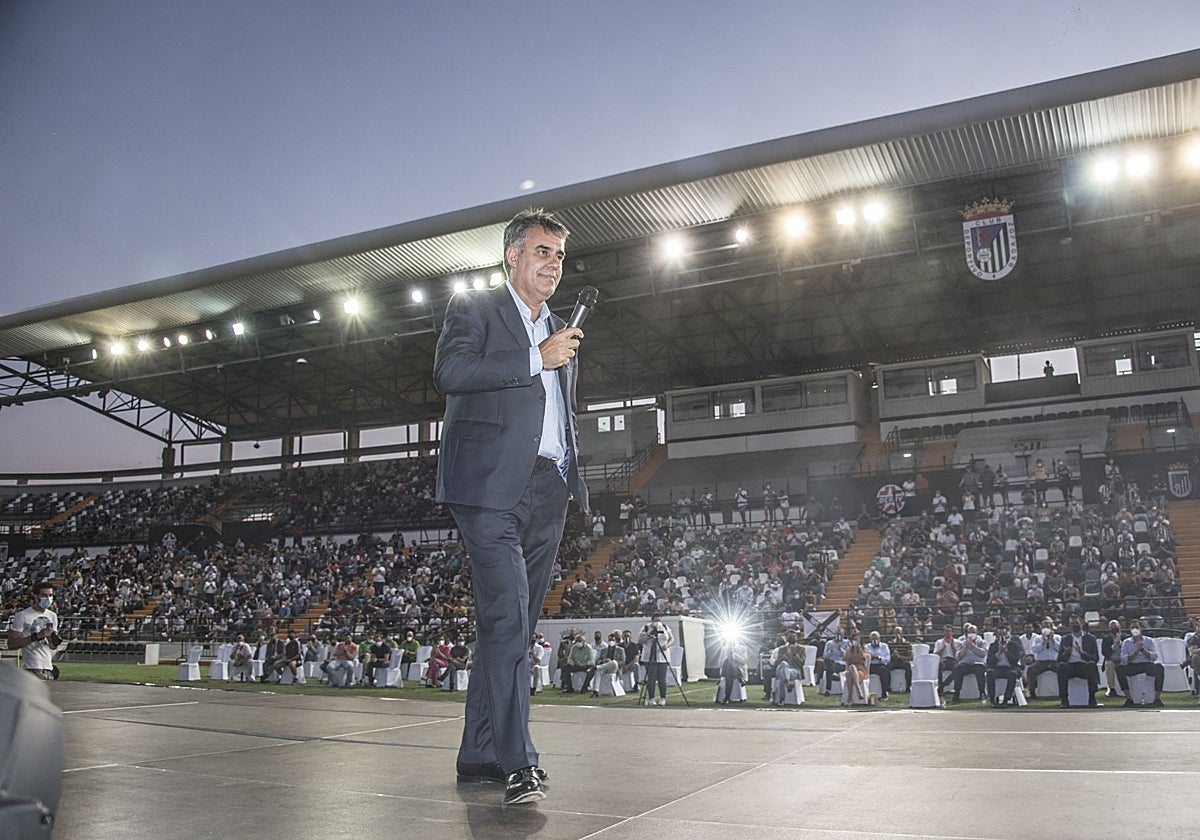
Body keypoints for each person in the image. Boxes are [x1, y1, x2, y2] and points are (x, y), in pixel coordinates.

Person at [434, 208, 588, 805]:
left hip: (548, 488)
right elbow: (450, 372)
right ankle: (518, 762)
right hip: (489, 487)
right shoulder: (474, 309)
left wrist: (571, 470)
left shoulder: (560, 328)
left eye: (558, 255)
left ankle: (479, 752)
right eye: (543, 251)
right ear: (513, 256)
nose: (553, 264)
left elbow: (558, 413)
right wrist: (534, 359)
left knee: (515, 629)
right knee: (506, 618)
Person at [7, 582, 61, 680]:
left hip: (48, 667)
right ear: (36, 596)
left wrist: (54, 640)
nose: (48, 598)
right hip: (31, 666)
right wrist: (35, 636)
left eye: (50, 595)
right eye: (44, 595)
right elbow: (11, 644)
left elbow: (52, 646)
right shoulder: (23, 615)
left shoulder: (52, 616)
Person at [1117, 619, 1165, 707]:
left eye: (1136, 627)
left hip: (1146, 664)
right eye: (1132, 628)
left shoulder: (1149, 640)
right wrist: (1135, 652)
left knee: (1159, 668)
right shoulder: (1126, 642)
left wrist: (1143, 650)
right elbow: (1123, 659)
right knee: (1119, 669)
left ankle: (1157, 698)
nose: (1135, 629)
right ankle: (1129, 698)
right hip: (1133, 665)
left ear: (1141, 628)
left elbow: (1154, 656)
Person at [1055, 619, 1100, 708]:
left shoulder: (1090, 638)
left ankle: (1092, 698)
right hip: (1070, 666)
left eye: (1077, 623)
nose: (1074, 625)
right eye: (1072, 623)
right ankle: (1064, 699)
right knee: (1061, 666)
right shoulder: (1065, 639)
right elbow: (1059, 659)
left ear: (1082, 624)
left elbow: (1095, 658)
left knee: (1091, 664)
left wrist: (1082, 653)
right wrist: (1066, 653)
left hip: (1084, 665)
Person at [639, 614, 674, 706]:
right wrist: (649, 634)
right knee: (651, 678)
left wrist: (667, 645)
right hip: (649, 656)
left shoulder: (665, 627)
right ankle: (651, 698)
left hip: (662, 656)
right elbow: (640, 640)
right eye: (655, 620)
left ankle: (663, 698)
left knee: (662, 678)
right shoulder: (646, 627)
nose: (657, 622)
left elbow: (671, 639)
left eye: (659, 620)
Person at [986, 625, 1024, 707]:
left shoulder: (1014, 645)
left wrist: (1006, 651)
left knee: (1012, 674)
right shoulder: (993, 646)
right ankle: (992, 700)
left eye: (1004, 634)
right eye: (1000, 634)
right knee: (990, 673)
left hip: (1011, 668)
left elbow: (1015, 660)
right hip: (997, 668)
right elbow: (989, 661)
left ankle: (1006, 700)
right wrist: (998, 653)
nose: (1002, 636)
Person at [768, 633, 806, 705]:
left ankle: (781, 699)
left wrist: (795, 654)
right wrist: (783, 656)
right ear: (787, 638)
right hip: (780, 669)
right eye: (790, 636)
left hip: (794, 670)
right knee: (783, 664)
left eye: (794, 636)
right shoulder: (782, 649)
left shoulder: (801, 649)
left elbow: (801, 663)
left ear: (796, 638)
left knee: (783, 677)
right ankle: (787, 683)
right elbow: (776, 663)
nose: (792, 637)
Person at [842, 633, 869, 704]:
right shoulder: (849, 649)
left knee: (850, 671)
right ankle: (858, 690)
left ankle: (850, 696)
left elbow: (863, 657)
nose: (856, 641)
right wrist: (850, 649)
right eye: (854, 640)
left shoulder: (863, 649)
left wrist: (859, 648)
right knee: (849, 671)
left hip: (861, 670)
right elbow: (846, 658)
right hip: (851, 670)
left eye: (857, 640)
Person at [865, 631, 892, 700]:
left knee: (884, 672)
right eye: (873, 639)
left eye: (876, 639)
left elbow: (887, 659)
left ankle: (884, 692)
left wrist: (879, 658)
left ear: (879, 639)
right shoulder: (866, 647)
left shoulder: (884, 646)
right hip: (870, 666)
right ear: (870, 639)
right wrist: (871, 657)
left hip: (880, 665)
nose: (875, 641)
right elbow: (864, 657)